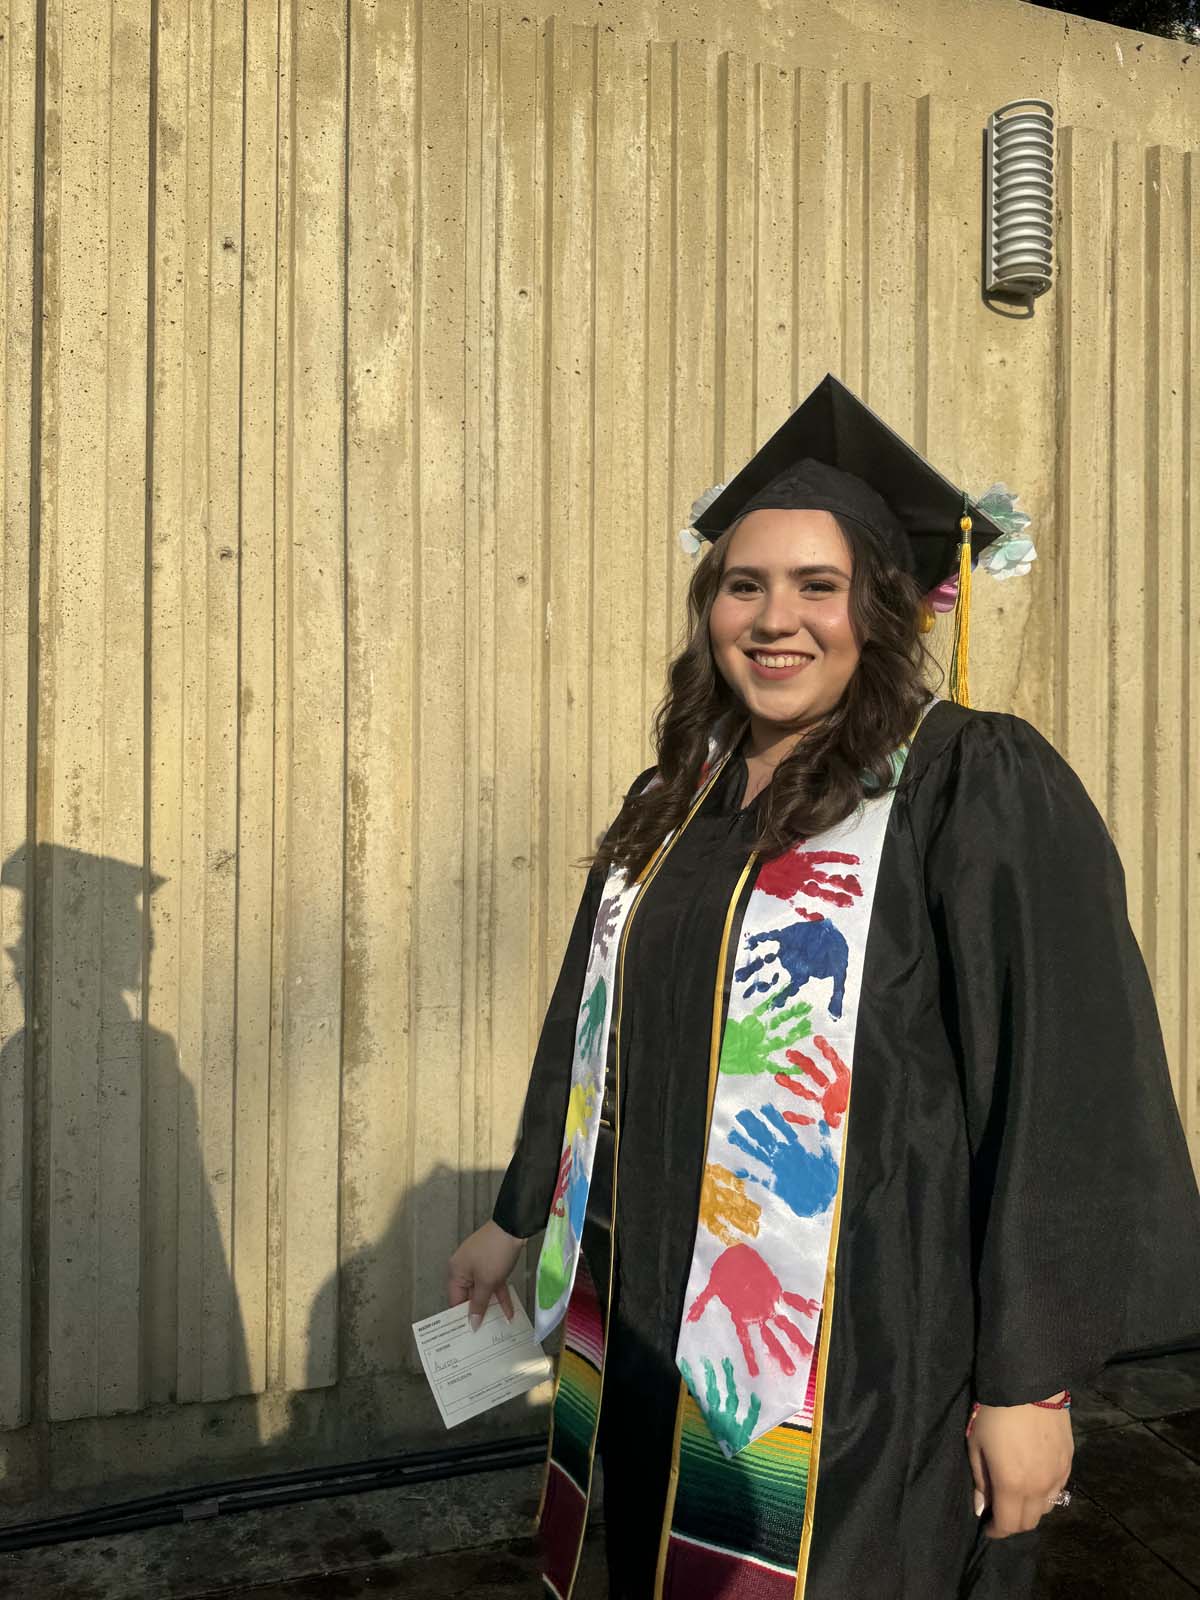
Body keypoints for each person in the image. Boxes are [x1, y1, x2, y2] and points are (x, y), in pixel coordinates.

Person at [447, 374, 1200, 1600]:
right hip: (645, 1332)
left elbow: (1064, 1083)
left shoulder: (966, 785)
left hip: (870, 1362)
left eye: (818, 585)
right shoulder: (679, 797)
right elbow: (592, 1025)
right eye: (745, 584)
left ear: (883, 610)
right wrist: (521, 1210)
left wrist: (1031, 1378)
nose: (774, 618)